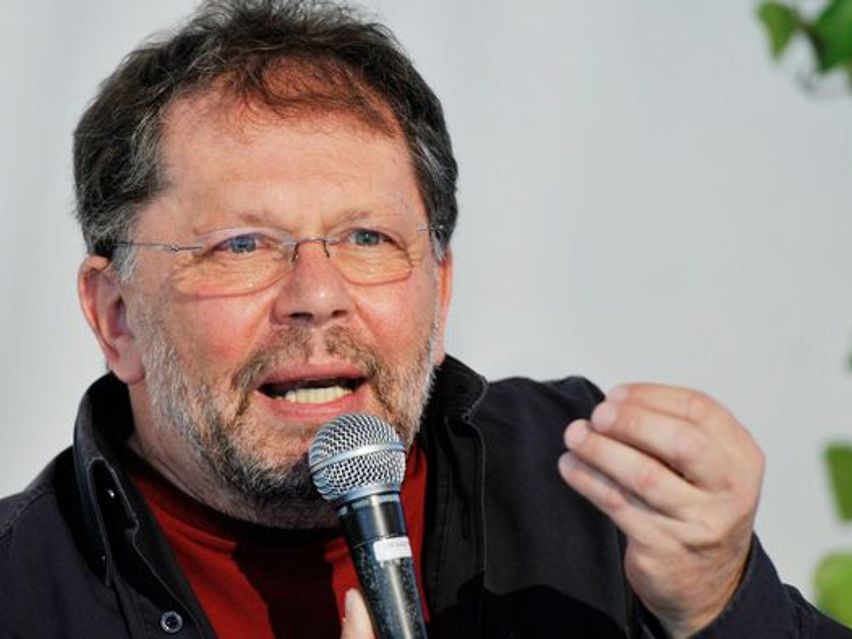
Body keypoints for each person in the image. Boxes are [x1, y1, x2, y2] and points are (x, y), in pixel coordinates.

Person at [0, 1, 846, 637]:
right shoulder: (20, 588)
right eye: (243, 245)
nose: (317, 294)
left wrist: (718, 604)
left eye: (367, 237)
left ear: (439, 295)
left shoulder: (587, 491)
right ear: (116, 317)